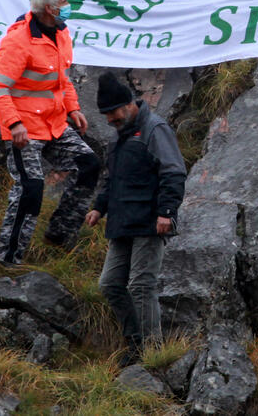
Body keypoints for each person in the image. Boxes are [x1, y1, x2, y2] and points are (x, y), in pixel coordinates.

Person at [0, 0, 101, 267]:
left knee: (89, 164)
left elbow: (62, 79)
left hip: (55, 124)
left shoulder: (62, 33)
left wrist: (73, 109)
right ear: (50, 8)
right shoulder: (18, 40)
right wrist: (14, 124)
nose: (68, 6)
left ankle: (60, 234)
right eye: (64, 2)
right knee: (31, 189)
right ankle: (6, 260)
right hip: (24, 129)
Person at [85, 72, 186, 366]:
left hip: (149, 223)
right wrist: (98, 207)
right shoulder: (118, 138)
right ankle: (135, 343)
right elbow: (111, 178)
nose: (109, 120)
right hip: (121, 224)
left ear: (129, 104)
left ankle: (152, 353)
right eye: (105, 115)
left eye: (113, 113)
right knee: (110, 285)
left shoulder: (155, 129)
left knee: (142, 286)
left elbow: (174, 172)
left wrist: (166, 212)